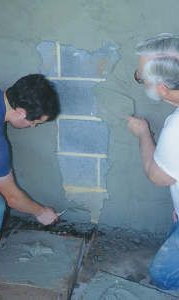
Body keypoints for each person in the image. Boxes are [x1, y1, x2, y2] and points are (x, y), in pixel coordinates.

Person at [0, 74, 60, 297]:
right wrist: (41, 212)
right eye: (35, 122)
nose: (33, 126)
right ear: (21, 112)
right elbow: (12, 198)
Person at [128, 33, 179, 290]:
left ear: (162, 88)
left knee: (164, 276)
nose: (141, 81)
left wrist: (143, 134)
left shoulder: (177, 127)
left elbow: (158, 175)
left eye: (141, 78)